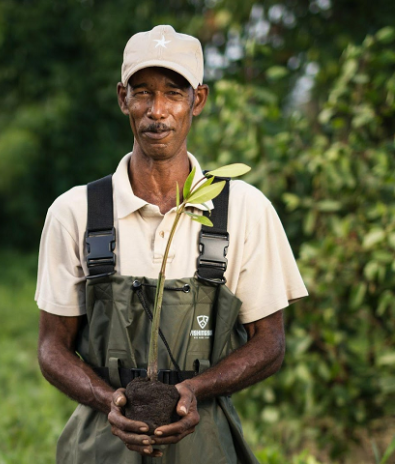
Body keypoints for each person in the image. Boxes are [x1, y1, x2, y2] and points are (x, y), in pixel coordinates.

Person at [35, 25, 308, 464]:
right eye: (142, 93)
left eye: (173, 94)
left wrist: (195, 390)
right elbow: (52, 347)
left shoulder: (243, 210)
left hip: (207, 447)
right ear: (122, 97)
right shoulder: (75, 213)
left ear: (196, 100)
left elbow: (270, 342)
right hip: (102, 447)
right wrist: (110, 402)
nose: (156, 111)